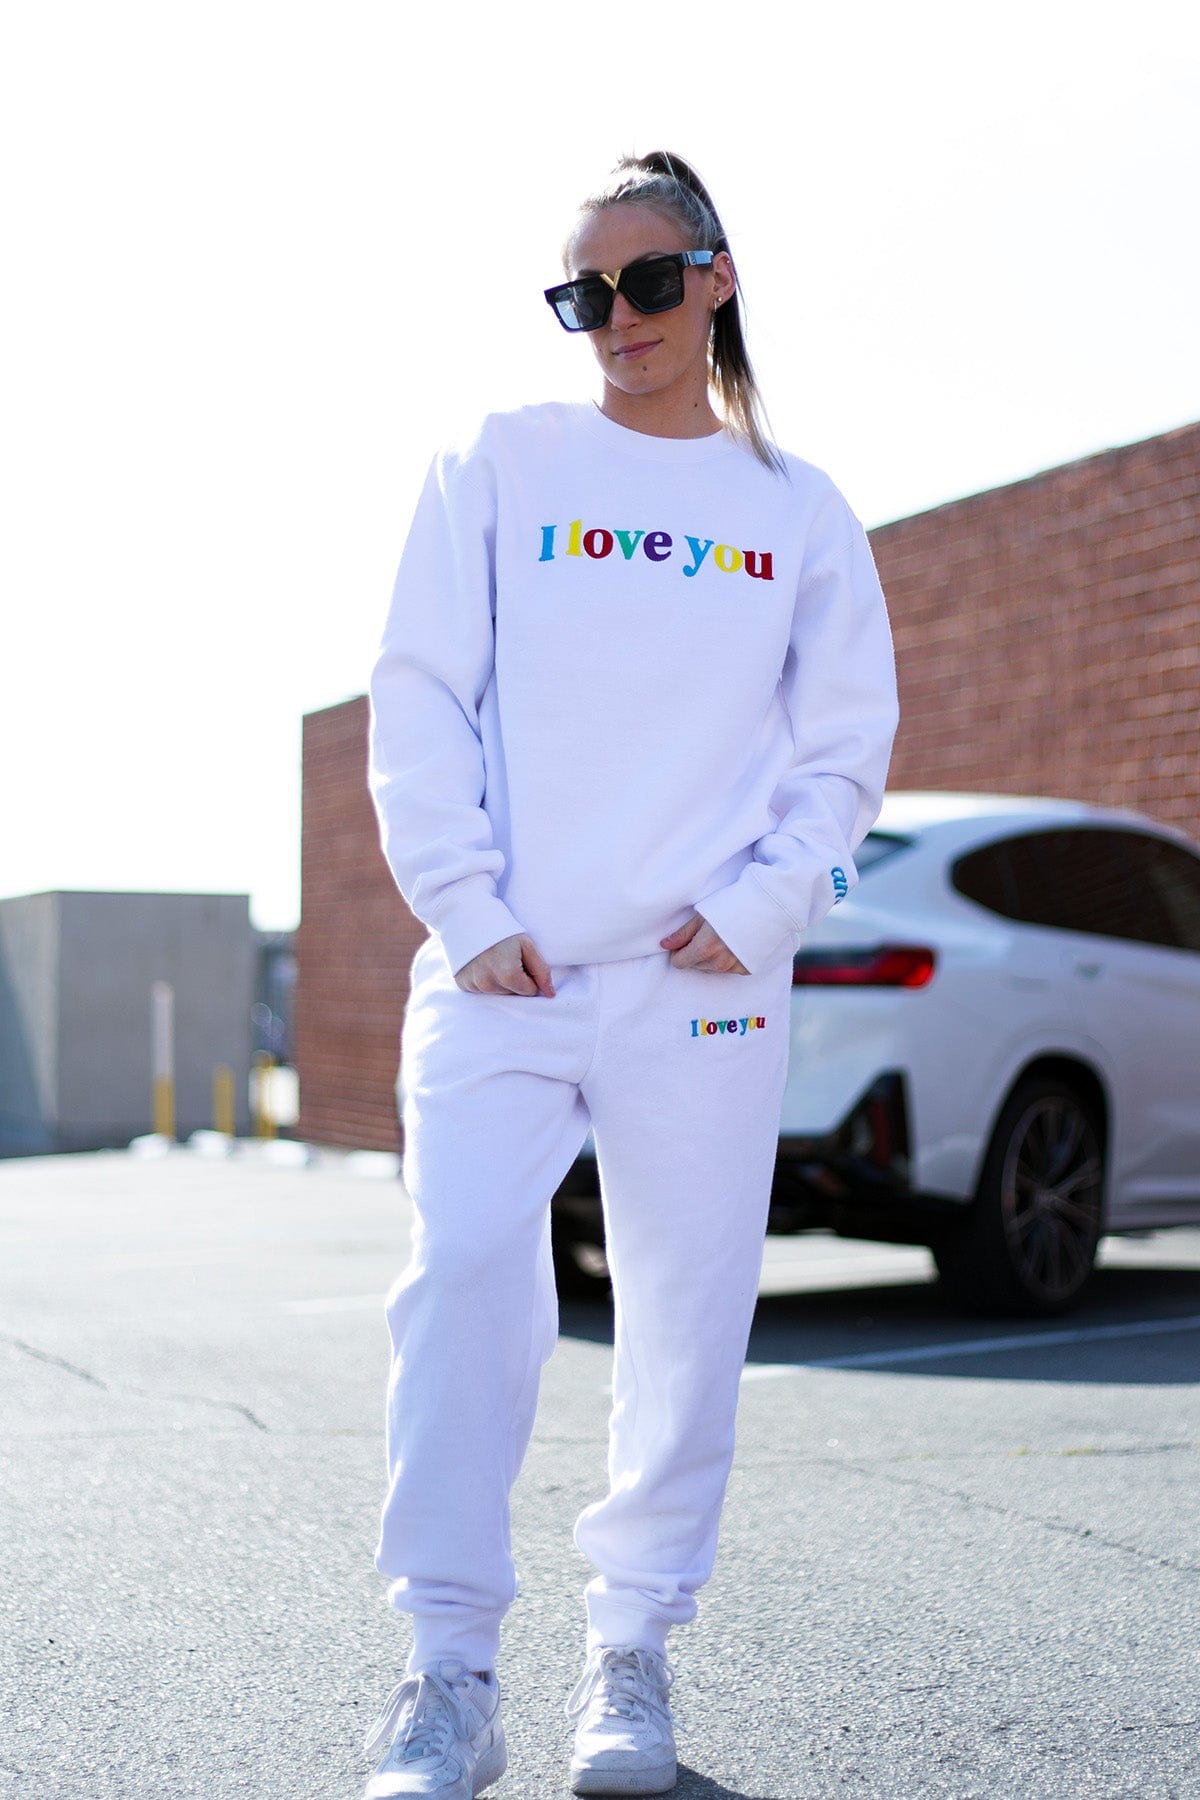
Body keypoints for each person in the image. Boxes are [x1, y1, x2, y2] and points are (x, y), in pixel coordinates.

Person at [361, 149, 900, 1799]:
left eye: (649, 281)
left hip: (701, 985)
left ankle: (634, 1655)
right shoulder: (500, 463)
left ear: (716, 279)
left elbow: (848, 763)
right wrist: (462, 906)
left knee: (686, 1316)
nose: (618, 318)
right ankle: (448, 1674)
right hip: (502, 976)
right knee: (464, 1278)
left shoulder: (796, 511)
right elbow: (418, 693)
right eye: (583, 294)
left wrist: (769, 905)